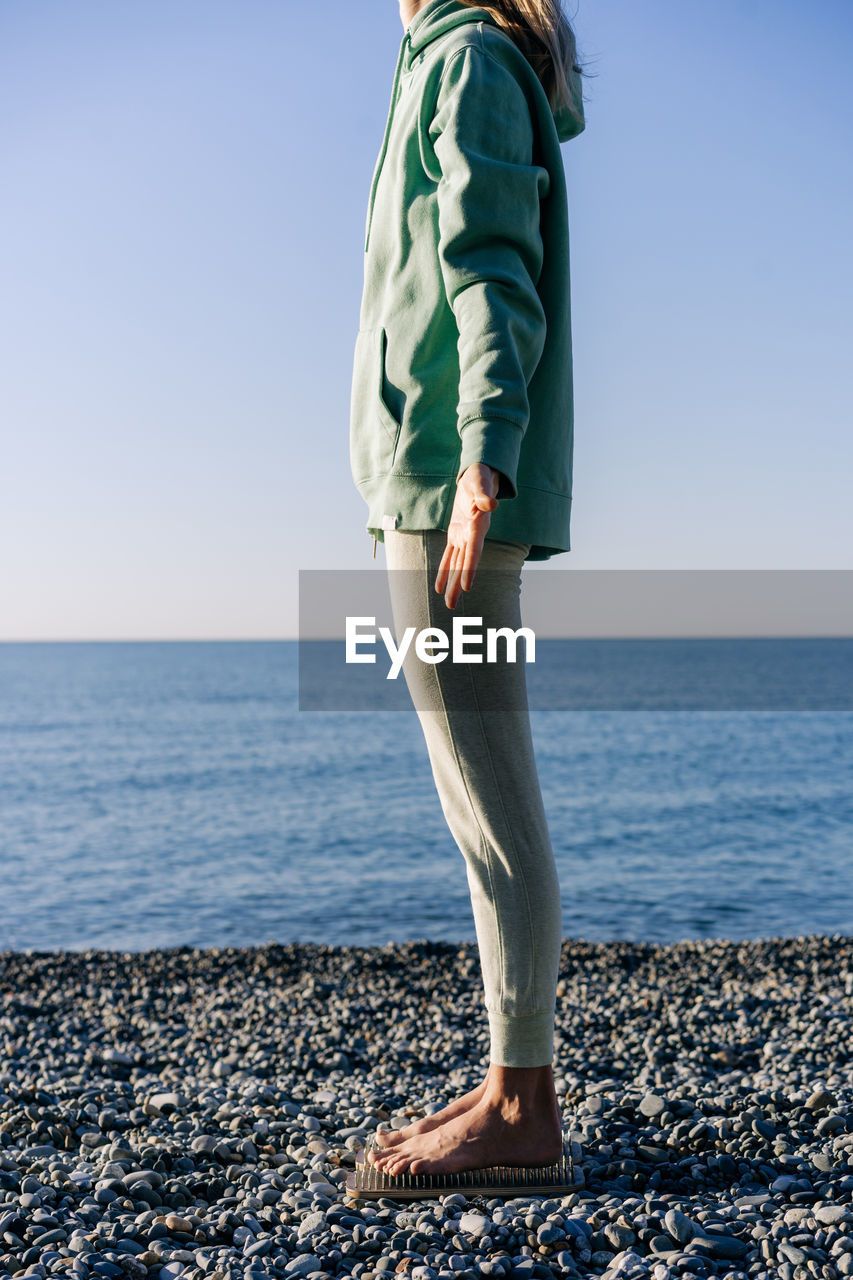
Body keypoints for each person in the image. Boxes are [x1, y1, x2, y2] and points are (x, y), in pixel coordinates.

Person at [348, 0, 586, 1176]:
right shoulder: (446, 58)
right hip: (432, 480)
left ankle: (520, 1113)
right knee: (472, 796)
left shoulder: (472, 59)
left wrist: (482, 452)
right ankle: (506, 1075)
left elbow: (494, 255)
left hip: (453, 488)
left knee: (492, 797)